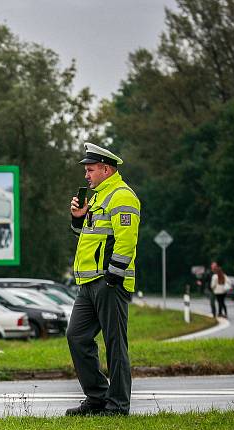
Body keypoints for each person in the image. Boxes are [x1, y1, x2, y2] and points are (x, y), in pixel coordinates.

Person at [65, 142, 140, 416]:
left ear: (106, 169)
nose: (86, 175)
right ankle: (97, 397)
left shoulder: (122, 196)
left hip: (109, 282)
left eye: (91, 169)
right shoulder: (96, 197)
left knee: (115, 344)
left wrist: (114, 275)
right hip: (88, 284)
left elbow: (126, 240)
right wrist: (77, 219)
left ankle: (118, 405)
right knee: (76, 336)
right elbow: (87, 237)